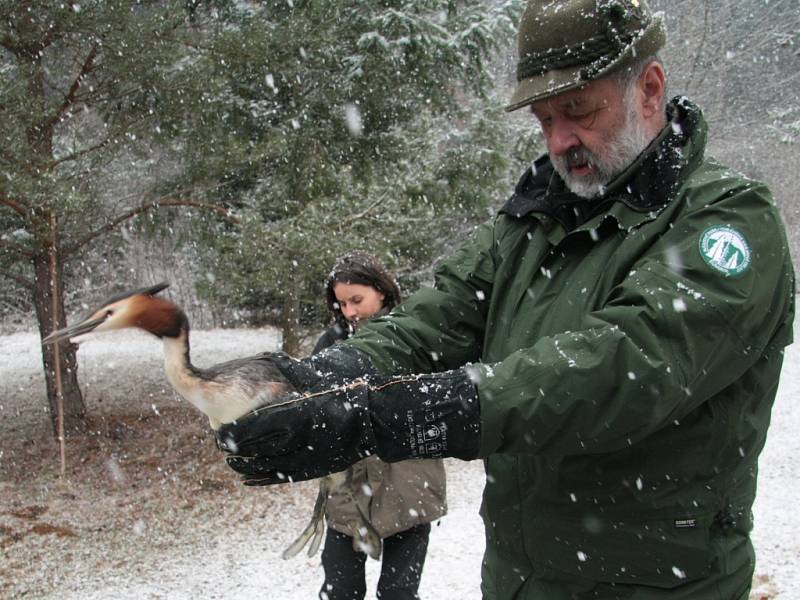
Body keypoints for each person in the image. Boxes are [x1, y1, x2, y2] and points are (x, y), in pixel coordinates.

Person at [217, 1, 795, 598]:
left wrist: (394, 416)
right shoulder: (539, 218)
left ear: (649, 88)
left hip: (657, 583)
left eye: (576, 110)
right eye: (545, 119)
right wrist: (331, 375)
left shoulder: (726, 222)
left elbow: (624, 367)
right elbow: (438, 314)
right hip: (522, 579)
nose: (560, 140)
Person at [313, 252, 446, 600]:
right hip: (346, 496)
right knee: (340, 592)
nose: (350, 312)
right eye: (342, 304)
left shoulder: (415, 338)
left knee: (398, 594)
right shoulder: (329, 347)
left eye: (357, 300)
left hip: (410, 488)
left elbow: (438, 405)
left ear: (382, 291)